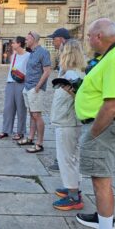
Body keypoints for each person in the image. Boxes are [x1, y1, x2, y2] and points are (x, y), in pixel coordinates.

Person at [74, 18, 115, 229]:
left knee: (102, 181)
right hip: (101, 127)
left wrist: (93, 133)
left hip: (102, 128)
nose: (88, 39)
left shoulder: (114, 58)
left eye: (90, 35)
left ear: (99, 36)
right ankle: (104, 217)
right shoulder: (107, 57)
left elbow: (112, 104)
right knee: (101, 178)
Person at [50, 40, 85, 211]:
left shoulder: (73, 75)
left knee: (66, 158)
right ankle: (73, 188)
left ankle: (73, 196)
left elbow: (80, 99)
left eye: (62, 52)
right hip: (70, 122)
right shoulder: (75, 73)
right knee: (72, 157)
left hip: (68, 123)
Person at [17, 31, 51, 153]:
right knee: (32, 114)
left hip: (35, 89)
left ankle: (39, 143)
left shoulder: (43, 52)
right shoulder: (31, 53)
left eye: (27, 39)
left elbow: (47, 71)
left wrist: (37, 87)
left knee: (37, 115)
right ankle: (30, 138)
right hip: (28, 87)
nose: (25, 41)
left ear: (34, 39)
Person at [47, 27, 71, 172]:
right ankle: (61, 158)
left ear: (62, 40)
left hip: (67, 106)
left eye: (54, 40)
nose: (53, 43)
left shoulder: (70, 57)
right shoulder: (63, 55)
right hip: (62, 103)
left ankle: (63, 161)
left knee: (65, 134)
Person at [0, 36, 30, 140]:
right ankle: (6, 130)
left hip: (21, 83)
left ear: (19, 43)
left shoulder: (28, 56)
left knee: (21, 108)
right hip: (10, 82)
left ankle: (20, 132)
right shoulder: (13, 55)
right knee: (8, 108)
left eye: (14, 42)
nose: (12, 44)